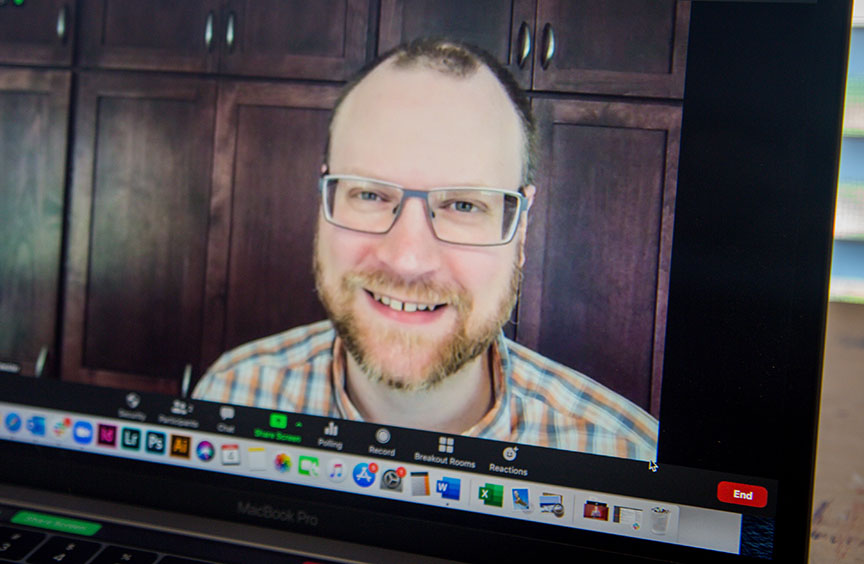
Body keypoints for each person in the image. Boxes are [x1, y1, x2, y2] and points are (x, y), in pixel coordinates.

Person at [191, 38, 658, 461]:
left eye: (463, 204)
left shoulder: (631, 458)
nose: (407, 259)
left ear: (521, 228)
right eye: (370, 195)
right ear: (324, 198)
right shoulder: (230, 395)